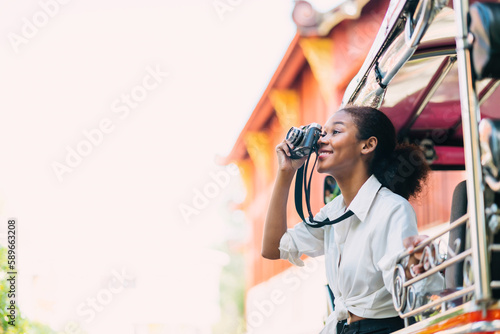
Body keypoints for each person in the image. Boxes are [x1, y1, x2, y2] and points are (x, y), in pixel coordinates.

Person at [262, 106, 441, 334]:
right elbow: (272, 248)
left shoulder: (392, 208)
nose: (320, 142)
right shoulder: (333, 213)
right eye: (322, 134)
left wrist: (415, 266)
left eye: (335, 132)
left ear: (367, 145)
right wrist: (286, 172)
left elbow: (404, 290)